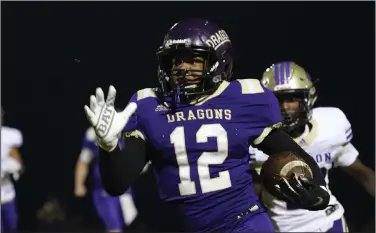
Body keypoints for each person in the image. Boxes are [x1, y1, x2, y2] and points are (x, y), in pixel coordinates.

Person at [84, 19, 330, 232]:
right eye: (175, 60)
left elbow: (290, 151)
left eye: (194, 60)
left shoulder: (243, 98)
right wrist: (109, 147)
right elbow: (116, 185)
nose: (182, 68)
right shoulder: (149, 105)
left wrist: (318, 189)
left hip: (243, 223)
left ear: (218, 62)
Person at [250, 61, 375, 232]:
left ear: (307, 98)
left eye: (291, 99)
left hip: (329, 220)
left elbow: (360, 171)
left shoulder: (329, 127)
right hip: (284, 228)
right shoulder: (254, 142)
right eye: (277, 100)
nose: (284, 107)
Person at [74, 127, 138, 232]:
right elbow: (83, 160)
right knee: (114, 227)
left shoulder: (127, 129)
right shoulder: (93, 134)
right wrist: (79, 184)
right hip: (104, 189)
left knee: (126, 225)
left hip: (125, 189)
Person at [1, 109, 24, 233]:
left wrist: (16, 168)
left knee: (12, 227)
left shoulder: (8, 135)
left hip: (6, 193)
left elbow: (19, 164)